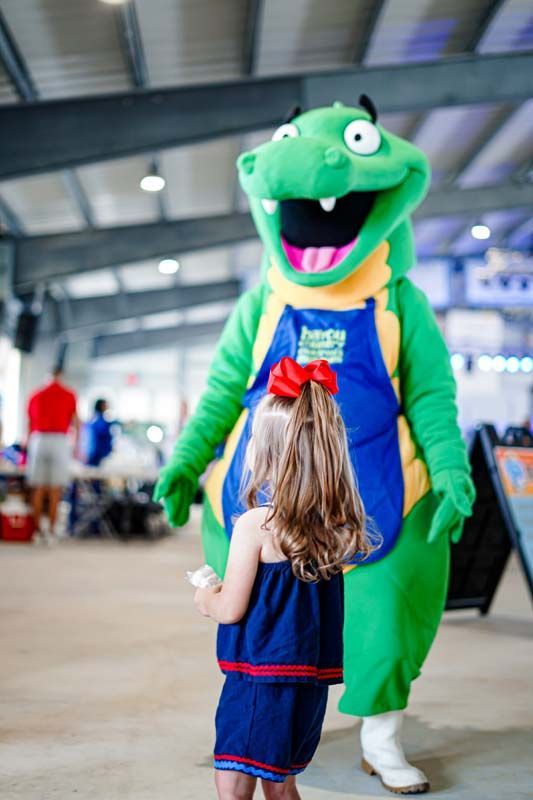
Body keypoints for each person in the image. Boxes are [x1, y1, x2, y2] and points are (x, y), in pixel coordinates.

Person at [193, 358, 372, 800]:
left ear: (272, 452)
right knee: (281, 781)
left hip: (259, 680)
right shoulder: (336, 529)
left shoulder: (256, 525)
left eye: (254, 434)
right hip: (307, 686)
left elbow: (231, 607)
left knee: (232, 782)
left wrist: (205, 595)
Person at [26, 365, 79, 542]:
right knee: (56, 488)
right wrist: (76, 446)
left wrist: (27, 446)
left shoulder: (36, 394)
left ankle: (36, 531)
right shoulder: (69, 394)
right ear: (60, 375)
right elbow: (76, 422)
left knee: (38, 486)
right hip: (59, 440)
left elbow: (29, 423)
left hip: (39, 439)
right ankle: (51, 530)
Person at [86, 398, 114, 467]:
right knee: (95, 473)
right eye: (105, 405)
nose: (107, 407)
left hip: (96, 451)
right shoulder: (98, 419)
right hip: (97, 452)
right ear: (101, 406)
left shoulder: (97, 418)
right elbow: (102, 433)